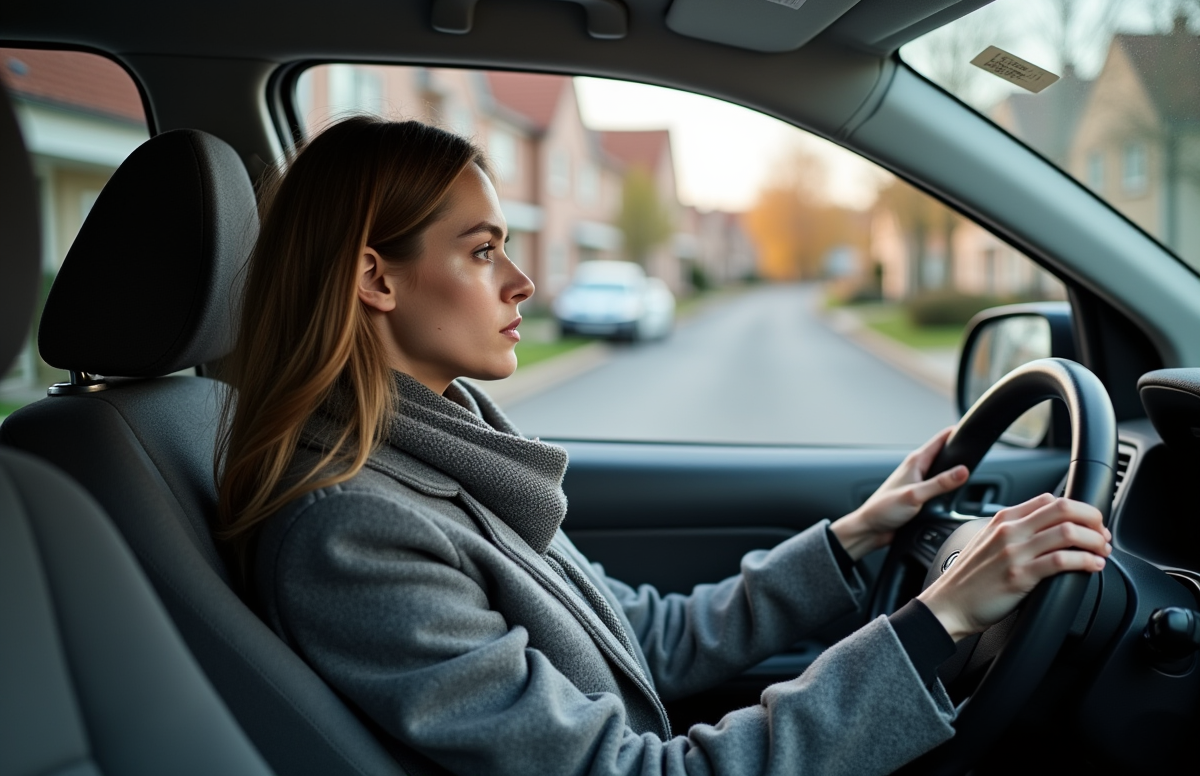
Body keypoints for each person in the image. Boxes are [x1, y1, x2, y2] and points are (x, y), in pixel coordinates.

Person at [217, 117, 1112, 776]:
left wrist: (859, 535)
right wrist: (939, 618)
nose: (524, 282)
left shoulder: (444, 453)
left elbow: (643, 638)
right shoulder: (353, 531)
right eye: (484, 251)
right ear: (376, 276)